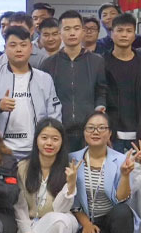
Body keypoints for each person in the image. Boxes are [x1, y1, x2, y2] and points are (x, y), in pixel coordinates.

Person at [71, 112, 138, 233]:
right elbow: (72, 201)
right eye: (91, 128)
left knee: (123, 211)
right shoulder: (73, 159)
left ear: (109, 133)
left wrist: (125, 175)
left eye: (102, 128)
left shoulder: (121, 160)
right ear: (84, 132)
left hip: (112, 217)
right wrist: (86, 224)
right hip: (86, 220)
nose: (96, 132)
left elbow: (122, 199)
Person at [0, 26, 62, 161]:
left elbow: (54, 114)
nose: (18, 49)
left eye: (23, 45)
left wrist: (50, 140)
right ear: (5, 48)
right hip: (1, 150)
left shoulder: (44, 79)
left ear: (31, 48)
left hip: (37, 150)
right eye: (13, 45)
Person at [13, 118, 79, 233]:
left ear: (62, 142)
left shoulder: (68, 169)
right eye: (44, 138)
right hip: (30, 226)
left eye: (55, 139)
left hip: (58, 224)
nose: (49, 143)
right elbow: (20, 207)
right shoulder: (23, 167)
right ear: (36, 140)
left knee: (63, 220)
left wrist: (71, 184)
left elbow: (61, 209)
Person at [41, 10, 107, 152]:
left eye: (76, 28)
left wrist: (99, 107)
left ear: (83, 31)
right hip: (59, 130)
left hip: (88, 131)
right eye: (67, 29)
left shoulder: (97, 61)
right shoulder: (48, 64)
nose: (72, 33)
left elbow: (101, 90)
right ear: (60, 33)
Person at [103, 13, 141, 152]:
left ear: (134, 35)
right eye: (119, 30)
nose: (124, 35)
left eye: (129, 31)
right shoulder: (101, 63)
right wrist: (103, 130)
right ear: (112, 34)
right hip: (112, 134)